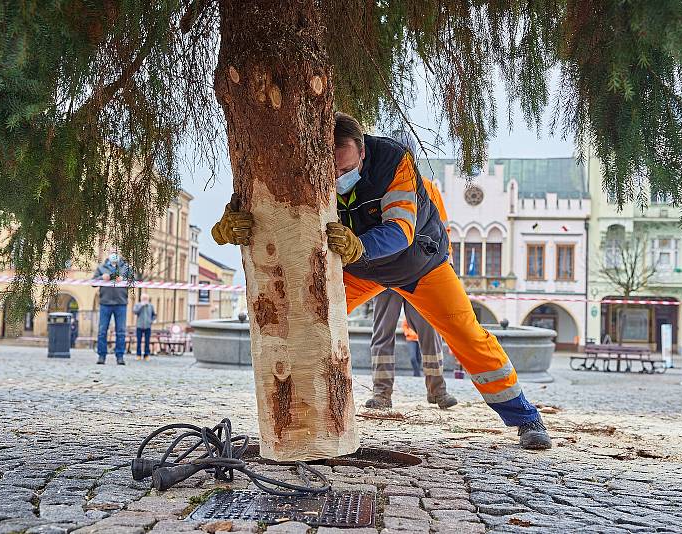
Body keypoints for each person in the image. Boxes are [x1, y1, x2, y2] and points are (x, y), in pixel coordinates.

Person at [211, 112, 552, 449]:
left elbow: (401, 231)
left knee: (468, 335)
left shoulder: (393, 160)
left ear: (363, 150)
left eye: (346, 169)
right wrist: (233, 221)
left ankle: (525, 417)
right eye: (332, 171)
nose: (339, 176)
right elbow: (272, 207)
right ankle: (301, 419)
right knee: (306, 320)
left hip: (418, 266)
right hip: (359, 270)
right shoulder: (308, 163)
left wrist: (359, 246)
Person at [367, 130, 459, 410]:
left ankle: (437, 390)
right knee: (383, 332)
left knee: (429, 331)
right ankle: (382, 393)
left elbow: (441, 231)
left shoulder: (429, 189)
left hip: (420, 271)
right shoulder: (378, 187)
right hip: (385, 272)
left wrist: (447, 264)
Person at [93, 252, 133, 365]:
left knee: (121, 332)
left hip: (121, 303)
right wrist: (102, 278)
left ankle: (120, 356)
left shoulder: (126, 267)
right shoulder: (101, 268)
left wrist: (124, 279)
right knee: (102, 331)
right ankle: (101, 356)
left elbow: (134, 280)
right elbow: (93, 282)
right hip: (105, 303)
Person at [133, 293, 156, 361]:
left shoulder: (151, 306)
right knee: (139, 341)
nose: (145, 300)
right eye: (144, 299)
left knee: (147, 341)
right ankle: (138, 355)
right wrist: (141, 306)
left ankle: (146, 355)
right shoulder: (137, 305)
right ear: (141, 299)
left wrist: (151, 321)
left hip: (147, 326)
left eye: (146, 299)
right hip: (139, 326)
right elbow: (135, 312)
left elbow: (154, 315)